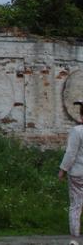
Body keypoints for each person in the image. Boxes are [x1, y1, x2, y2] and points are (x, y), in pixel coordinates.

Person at [59, 100, 83, 245]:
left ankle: (75, 236)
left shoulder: (77, 131)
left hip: (78, 172)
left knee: (76, 204)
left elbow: (71, 153)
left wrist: (62, 170)